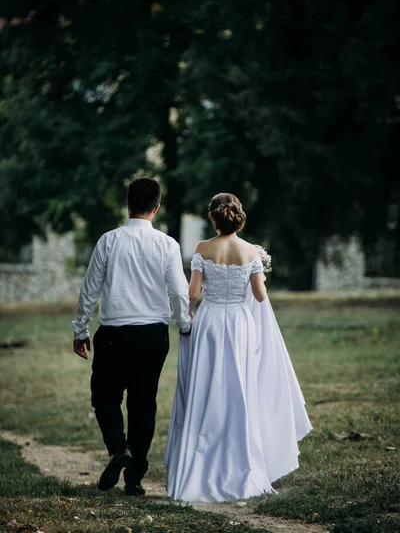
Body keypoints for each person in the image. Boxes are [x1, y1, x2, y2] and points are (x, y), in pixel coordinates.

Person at [164, 192, 312, 503]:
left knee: (206, 388)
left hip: (210, 323)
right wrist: (257, 273)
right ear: (238, 216)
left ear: (213, 218)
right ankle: (241, 463)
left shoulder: (203, 249)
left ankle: (200, 463)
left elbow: (193, 292)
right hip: (241, 327)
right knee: (239, 389)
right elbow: (259, 296)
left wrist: (186, 315)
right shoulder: (251, 252)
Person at [72, 177, 191, 496]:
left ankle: (117, 448)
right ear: (157, 207)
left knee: (105, 396)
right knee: (143, 404)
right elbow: (179, 292)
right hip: (153, 336)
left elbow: (90, 289)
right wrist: (184, 324)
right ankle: (134, 477)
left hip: (114, 334)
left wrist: (80, 330)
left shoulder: (108, 241)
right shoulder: (167, 244)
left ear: (127, 203)